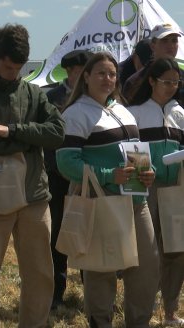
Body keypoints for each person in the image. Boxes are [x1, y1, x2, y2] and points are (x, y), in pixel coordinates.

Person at [0, 23, 65, 327]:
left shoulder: (34, 93)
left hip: (34, 196)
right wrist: (32, 140)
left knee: (40, 275)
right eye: (9, 66)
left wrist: (11, 131)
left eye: (19, 67)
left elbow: (58, 133)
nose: (14, 73)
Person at [56, 52, 160, 327]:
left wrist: (148, 173)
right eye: (101, 73)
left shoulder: (122, 109)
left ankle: (138, 322)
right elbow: (66, 162)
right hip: (103, 201)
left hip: (138, 201)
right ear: (86, 77)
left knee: (147, 267)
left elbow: (135, 153)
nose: (108, 78)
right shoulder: (76, 113)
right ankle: (100, 322)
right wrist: (108, 175)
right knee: (101, 269)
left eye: (112, 74)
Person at [127, 57, 184, 326]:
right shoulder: (136, 113)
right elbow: (131, 152)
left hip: (176, 189)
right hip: (147, 188)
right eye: (166, 81)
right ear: (151, 80)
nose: (172, 86)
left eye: (176, 82)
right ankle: (143, 310)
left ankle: (171, 310)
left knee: (176, 250)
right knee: (148, 253)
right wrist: (140, 180)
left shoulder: (180, 114)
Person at [45, 49, 92, 310]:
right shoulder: (52, 98)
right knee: (59, 235)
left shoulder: (94, 100)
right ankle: (55, 295)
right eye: (80, 71)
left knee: (88, 233)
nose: (83, 76)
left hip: (87, 177)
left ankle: (91, 291)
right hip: (58, 178)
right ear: (71, 71)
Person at [123, 23, 183, 104]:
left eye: (174, 41)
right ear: (152, 45)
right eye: (164, 40)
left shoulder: (182, 76)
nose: (171, 45)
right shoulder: (135, 81)